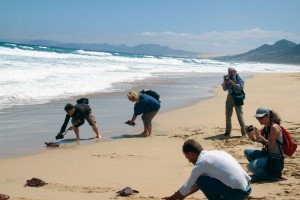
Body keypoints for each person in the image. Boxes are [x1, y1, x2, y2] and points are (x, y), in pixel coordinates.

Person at [163, 139, 252, 200]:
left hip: (239, 194)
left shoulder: (202, 163)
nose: (189, 161)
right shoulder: (217, 153)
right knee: (202, 180)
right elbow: (196, 185)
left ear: (191, 154)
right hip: (247, 188)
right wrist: (182, 196)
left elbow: (189, 185)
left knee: (201, 180)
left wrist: (172, 198)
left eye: (187, 158)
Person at [244, 107, 284, 181]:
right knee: (247, 151)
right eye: (258, 118)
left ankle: (269, 177)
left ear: (268, 116)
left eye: (261, 118)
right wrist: (248, 132)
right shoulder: (266, 127)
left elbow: (270, 145)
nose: (259, 120)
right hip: (267, 155)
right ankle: (261, 172)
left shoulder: (274, 128)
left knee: (250, 166)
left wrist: (259, 136)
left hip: (275, 158)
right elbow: (254, 139)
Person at [221, 67, 246, 136]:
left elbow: (240, 87)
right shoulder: (228, 78)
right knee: (228, 115)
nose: (229, 73)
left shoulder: (239, 77)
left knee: (239, 115)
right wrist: (224, 82)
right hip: (229, 97)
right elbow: (224, 89)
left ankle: (244, 132)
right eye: (229, 72)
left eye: (231, 72)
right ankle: (227, 132)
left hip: (237, 97)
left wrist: (232, 83)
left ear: (235, 71)